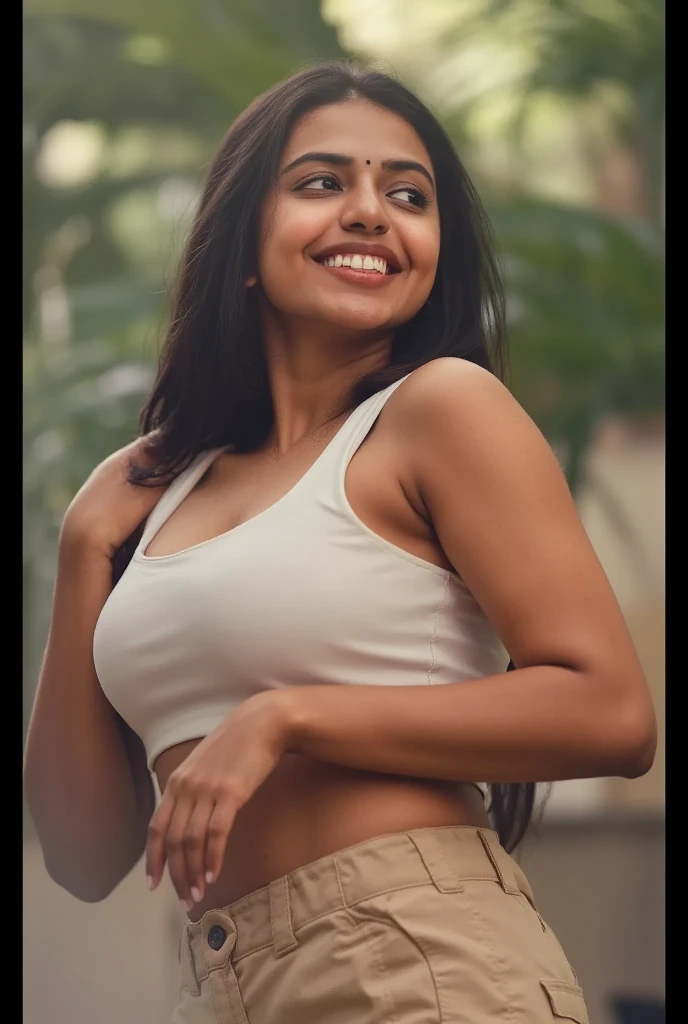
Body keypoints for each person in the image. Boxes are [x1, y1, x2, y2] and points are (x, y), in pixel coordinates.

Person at [24, 61, 656, 1023]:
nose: (370, 211)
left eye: (408, 195)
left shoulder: (440, 410)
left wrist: (286, 718)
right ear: (242, 243)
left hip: (417, 960)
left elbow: (611, 714)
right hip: (220, 981)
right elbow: (81, 858)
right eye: (322, 183)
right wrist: (83, 551)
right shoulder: (154, 495)